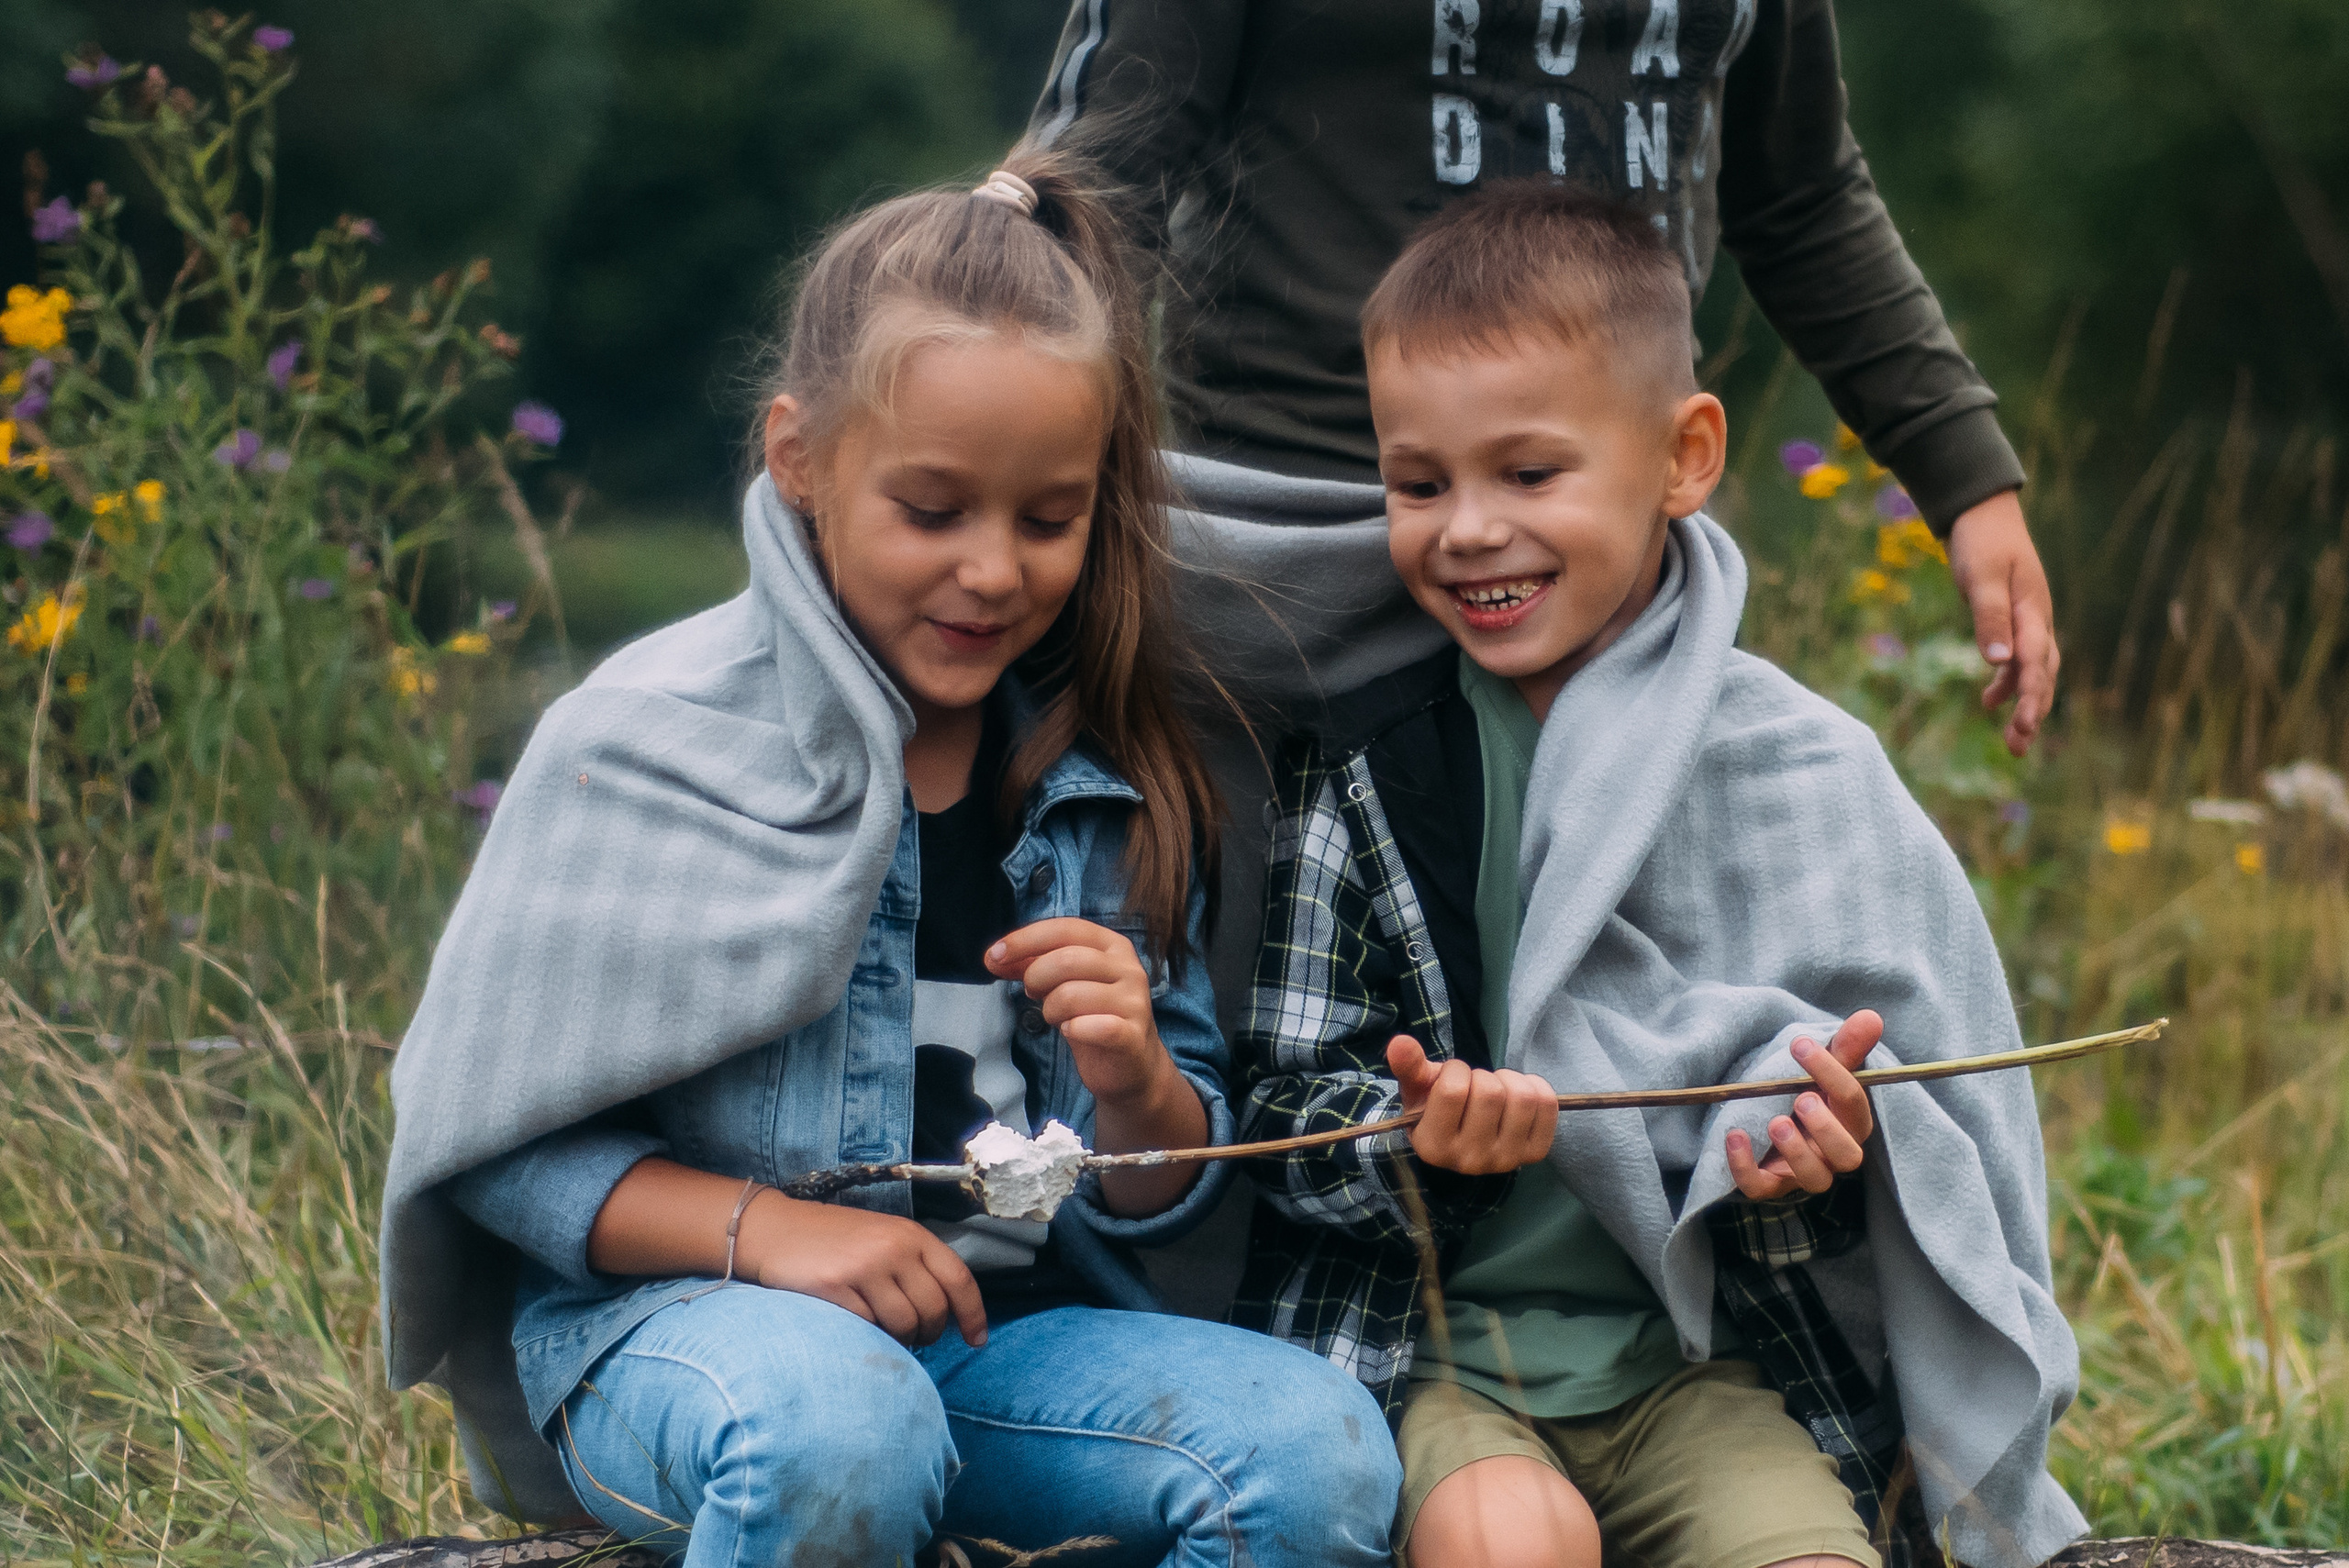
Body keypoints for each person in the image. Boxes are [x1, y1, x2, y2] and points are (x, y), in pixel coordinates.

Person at [376, 149, 1399, 1567]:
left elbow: (1165, 1178)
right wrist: (772, 1237)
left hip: (1001, 1352)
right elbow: (492, 1144)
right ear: (801, 459)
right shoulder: (646, 737)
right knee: (842, 1427)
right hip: (680, 1338)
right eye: (935, 512)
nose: (994, 570)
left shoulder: (1108, 774)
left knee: (1315, 1450)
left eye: (1049, 518)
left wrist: (1137, 1082)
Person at [1230, 184, 2084, 1568]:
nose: (1467, 531)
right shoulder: (1373, 773)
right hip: (1442, 1362)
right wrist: (1416, 1142)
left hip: (1703, 1366)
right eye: (1419, 484)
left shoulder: (1796, 769)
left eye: (1529, 474)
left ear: (1683, 457)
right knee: (1513, 1543)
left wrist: (1813, 1161)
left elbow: (1931, 1134)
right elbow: (1277, 1109)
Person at [1033, 0, 2056, 757]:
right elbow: (1096, 180)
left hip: (1609, 568)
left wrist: (1964, 479)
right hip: (1294, 586)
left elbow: (1798, 193)